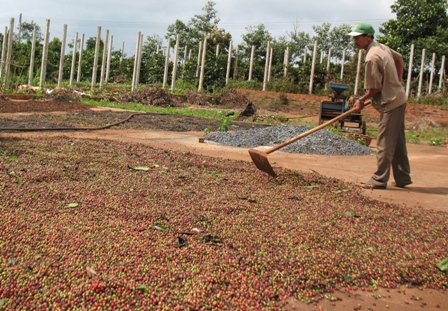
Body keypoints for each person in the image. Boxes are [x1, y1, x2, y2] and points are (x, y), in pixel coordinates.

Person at [347, 22, 412, 189]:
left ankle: (379, 179)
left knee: (384, 142)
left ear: (368, 37)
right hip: (398, 98)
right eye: (354, 38)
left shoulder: (371, 58)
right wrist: (398, 82)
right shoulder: (381, 47)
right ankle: (403, 177)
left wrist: (361, 100)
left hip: (391, 104)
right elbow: (400, 59)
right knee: (397, 140)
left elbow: (376, 88)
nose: (355, 41)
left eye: (358, 37)